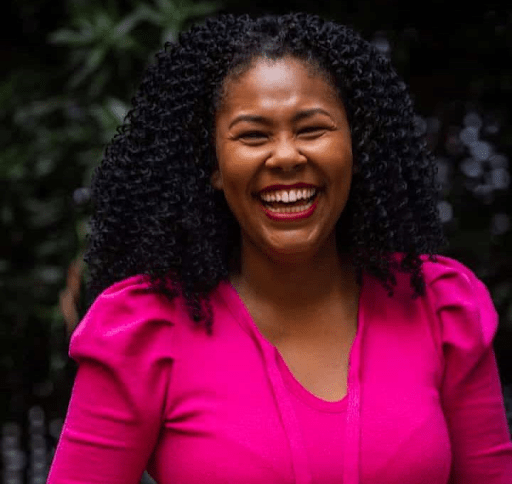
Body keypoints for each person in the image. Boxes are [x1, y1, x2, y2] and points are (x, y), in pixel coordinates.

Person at [46, 12, 512, 484]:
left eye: (312, 129)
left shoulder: (442, 308)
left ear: (357, 149)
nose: (287, 156)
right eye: (253, 135)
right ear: (212, 165)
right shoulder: (143, 329)